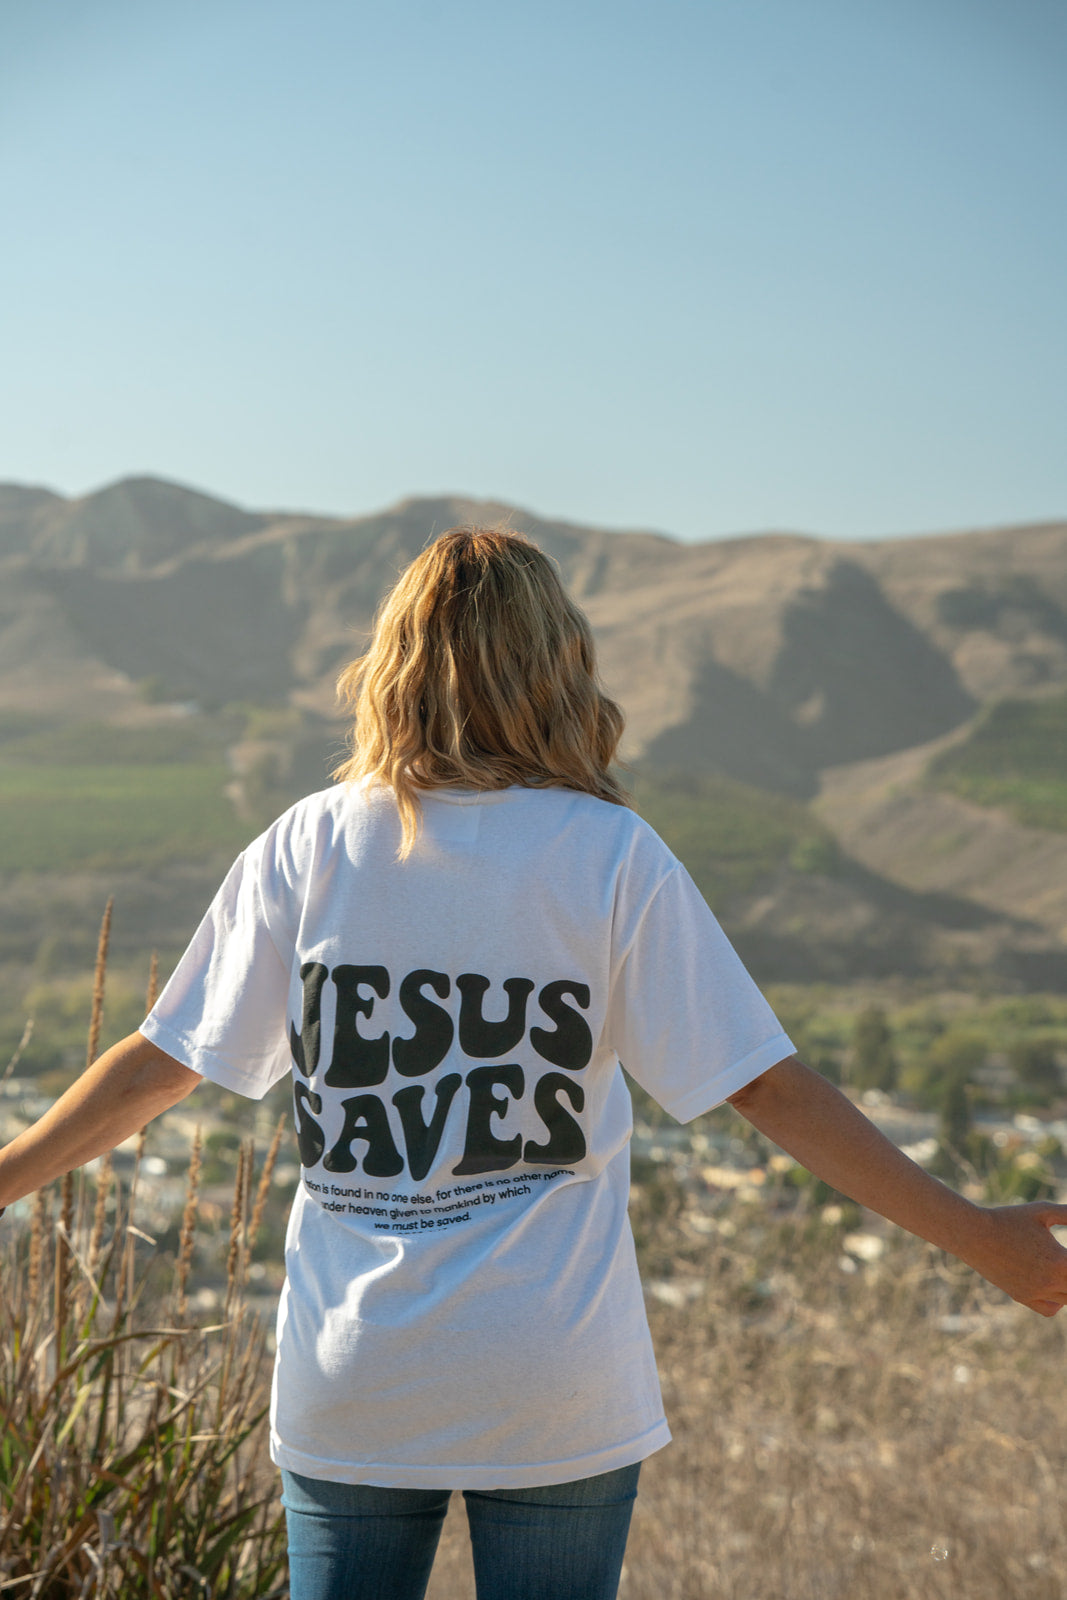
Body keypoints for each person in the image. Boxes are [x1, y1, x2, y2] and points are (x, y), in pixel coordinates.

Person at [3, 526, 1067, 1600]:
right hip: (551, 1370)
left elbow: (160, 1063)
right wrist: (980, 1238)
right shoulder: (610, 856)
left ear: (394, 665)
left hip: (357, 1367)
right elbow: (762, 1084)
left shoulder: (309, 845)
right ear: (558, 667)